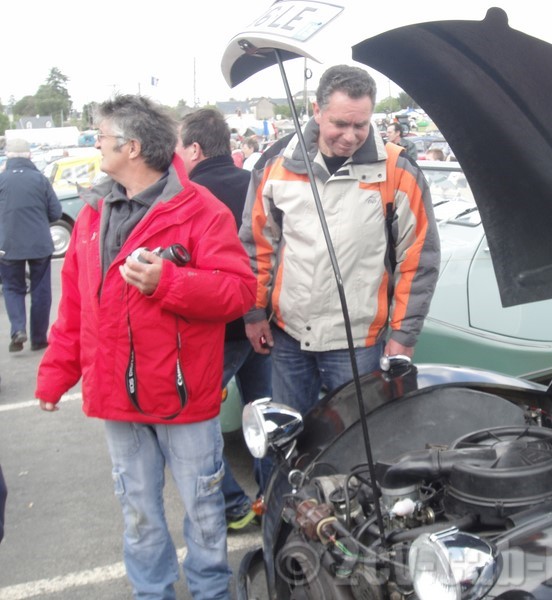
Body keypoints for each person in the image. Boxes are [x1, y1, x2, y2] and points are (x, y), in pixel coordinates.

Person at [35, 95, 256, 599]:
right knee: (137, 505)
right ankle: (151, 592)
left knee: (202, 507)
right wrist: (54, 375)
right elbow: (74, 307)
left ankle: (210, 591)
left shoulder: (201, 209)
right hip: (118, 392)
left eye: (101, 138)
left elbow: (241, 292)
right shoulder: (92, 213)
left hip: (183, 396)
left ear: (131, 147)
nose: (96, 145)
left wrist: (169, 283)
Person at [240, 64, 440, 423]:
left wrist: (404, 336)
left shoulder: (398, 169)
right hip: (289, 338)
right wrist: (253, 313)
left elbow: (419, 259)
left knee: (357, 446)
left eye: (360, 125)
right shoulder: (277, 163)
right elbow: (256, 245)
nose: (350, 136)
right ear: (317, 111)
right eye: (340, 124)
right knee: (286, 443)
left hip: (359, 346)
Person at [176, 108, 272, 530]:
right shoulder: (255, 183)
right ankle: (275, 498)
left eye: (179, 146)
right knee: (266, 416)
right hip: (266, 321)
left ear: (194, 149)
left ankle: (232, 503)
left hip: (219, 327)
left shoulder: (186, 196)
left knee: (194, 419)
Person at [0, 138, 63, 352]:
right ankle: (38, 338)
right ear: (29, 155)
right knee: (41, 289)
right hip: (39, 243)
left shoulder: (1, 180)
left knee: (12, 287)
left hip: (8, 244)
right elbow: (55, 212)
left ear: (8, 156)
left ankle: (18, 329)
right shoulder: (40, 180)